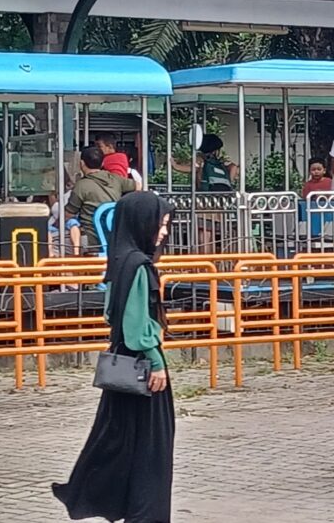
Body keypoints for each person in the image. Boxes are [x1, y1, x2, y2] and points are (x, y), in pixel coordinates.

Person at [53, 192, 175, 522]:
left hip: (121, 366)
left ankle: (91, 493)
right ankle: (145, 513)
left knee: (118, 439)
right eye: (160, 225)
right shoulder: (139, 265)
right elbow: (138, 325)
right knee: (152, 449)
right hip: (141, 367)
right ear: (142, 222)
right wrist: (156, 361)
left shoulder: (120, 260)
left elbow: (112, 315)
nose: (163, 232)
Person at [65, 146, 137, 253]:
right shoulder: (115, 179)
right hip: (115, 238)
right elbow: (139, 186)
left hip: (90, 241)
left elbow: (68, 215)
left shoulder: (81, 185)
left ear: (81, 163)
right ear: (102, 163)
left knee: (55, 244)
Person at [170, 134, 238, 192]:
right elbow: (234, 167)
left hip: (205, 197)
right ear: (215, 151)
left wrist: (175, 165)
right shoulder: (221, 164)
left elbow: (191, 168)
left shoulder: (200, 160)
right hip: (224, 198)